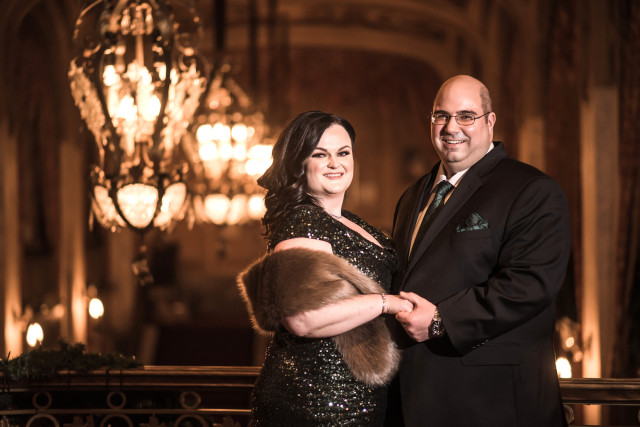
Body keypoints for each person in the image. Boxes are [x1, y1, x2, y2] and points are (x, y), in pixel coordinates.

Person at [387, 75, 571, 427]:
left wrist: (440, 321)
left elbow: (530, 285)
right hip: (412, 400)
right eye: (441, 116)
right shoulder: (412, 195)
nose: (451, 127)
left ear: (490, 121)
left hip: (490, 402)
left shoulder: (532, 190)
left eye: (466, 116)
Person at [236, 110, 413, 426]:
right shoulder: (304, 221)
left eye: (343, 153)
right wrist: (387, 303)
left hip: (361, 398)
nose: (335, 163)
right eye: (320, 154)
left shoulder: (353, 223)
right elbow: (303, 319)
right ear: (299, 164)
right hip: (314, 402)